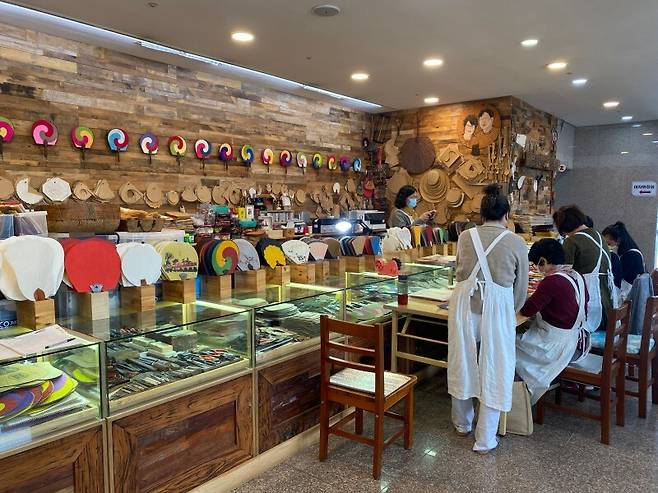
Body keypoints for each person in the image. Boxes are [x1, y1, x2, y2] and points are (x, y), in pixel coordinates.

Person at [448, 184, 529, 454]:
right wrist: (509, 311)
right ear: (506, 214)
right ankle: (485, 438)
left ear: (481, 214)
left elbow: (459, 269)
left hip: (464, 306)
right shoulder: (516, 242)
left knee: (461, 361)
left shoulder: (465, 236)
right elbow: (520, 289)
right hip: (498, 309)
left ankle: (462, 423)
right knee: (496, 367)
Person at [516, 239, 589, 404]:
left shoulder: (552, 281)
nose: (537, 269)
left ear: (543, 261)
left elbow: (527, 311)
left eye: (537, 264)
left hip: (554, 346)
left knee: (507, 347)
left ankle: (518, 398)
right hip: (575, 340)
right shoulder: (576, 275)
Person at [553, 205, 614, 332]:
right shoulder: (598, 235)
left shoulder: (572, 241)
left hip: (589, 303)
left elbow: (562, 275)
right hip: (607, 302)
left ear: (564, 225)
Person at [602, 222, 646, 299]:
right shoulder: (631, 253)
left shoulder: (631, 256)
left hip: (629, 298)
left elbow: (623, 283)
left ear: (618, 241)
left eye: (608, 244)